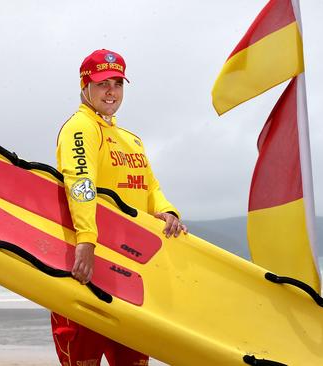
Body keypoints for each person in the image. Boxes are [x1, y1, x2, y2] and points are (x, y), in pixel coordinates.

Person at [51, 48, 187, 366]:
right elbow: (80, 183)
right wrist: (86, 240)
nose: (111, 91)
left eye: (118, 83)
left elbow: (150, 186)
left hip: (131, 275)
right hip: (86, 270)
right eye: (102, 83)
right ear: (85, 86)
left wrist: (168, 212)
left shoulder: (131, 139)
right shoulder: (79, 128)